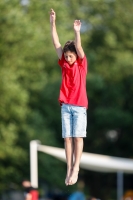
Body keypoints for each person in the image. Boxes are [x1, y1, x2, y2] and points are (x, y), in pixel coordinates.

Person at [50, 9, 88, 186]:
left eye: (70, 56)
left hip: (79, 106)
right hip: (66, 105)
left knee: (77, 137)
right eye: (66, 56)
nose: (68, 58)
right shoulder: (64, 64)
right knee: (67, 138)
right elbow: (56, 43)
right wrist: (53, 23)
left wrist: (77, 32)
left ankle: (76, 167)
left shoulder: (81, 64)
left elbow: (79, 48)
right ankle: (68, 169)